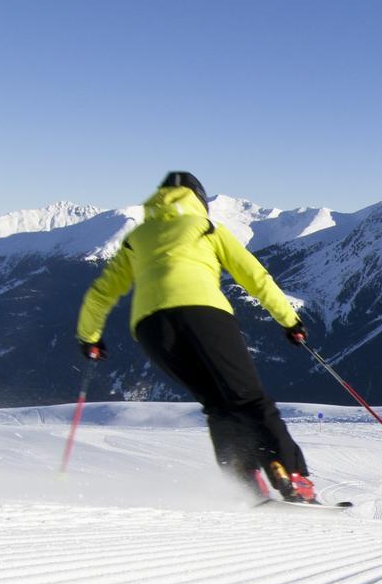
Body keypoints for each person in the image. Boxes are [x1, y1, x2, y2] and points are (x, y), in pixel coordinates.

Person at [76, 171, 321, 503]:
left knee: (217, 406)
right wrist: (290, 321)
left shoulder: (138, 237)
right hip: (205, 315)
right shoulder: (207, 228)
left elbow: (100, 293)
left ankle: (243, 484)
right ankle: (293, 479)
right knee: (249, 399)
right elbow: (255, 276)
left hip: (152, 328)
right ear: (199, 200)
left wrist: (89, 337)